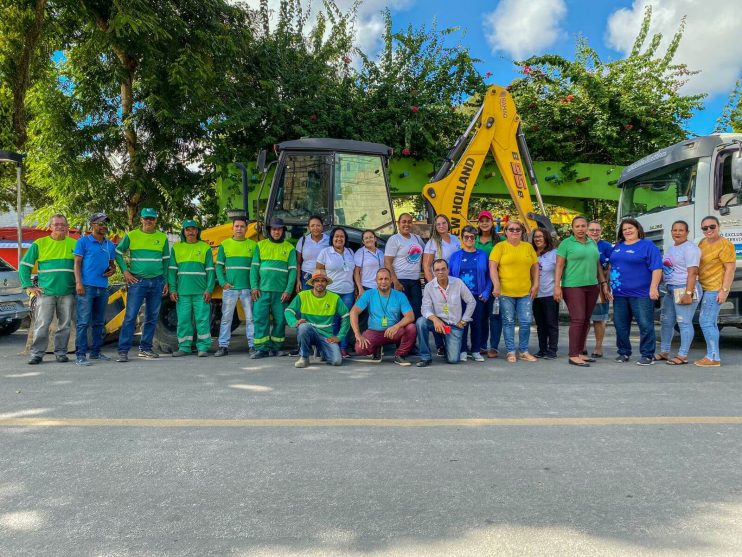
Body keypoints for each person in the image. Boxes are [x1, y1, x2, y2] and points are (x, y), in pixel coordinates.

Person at [19, 214, 77, 365]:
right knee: (42, 324)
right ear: (50, 227)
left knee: (64, 325)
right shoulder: (40, 243)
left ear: (67, 227)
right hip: (45, 293)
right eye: (56, 224)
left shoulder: (74, 243)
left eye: (62, 224)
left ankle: (61, 352)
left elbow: (82, 266)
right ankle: (37, 354)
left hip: (67, 292)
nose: (59, 227)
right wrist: (28, 285)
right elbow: (24, 266)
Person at [606, 218, 663, 365]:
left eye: (630, 228)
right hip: (619, 294)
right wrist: (607, 285)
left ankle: (647, 354)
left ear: (638, 229)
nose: (627, 231)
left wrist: (653, 287)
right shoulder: (617, 247)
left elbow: (657, 267)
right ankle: (624, 352)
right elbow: (611, 267)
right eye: (624, 229)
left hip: (642, 294)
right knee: (620, 325)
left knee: (645, 324)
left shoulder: (647, 246)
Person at [554, 216, 608, 367]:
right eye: (577, 226)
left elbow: (597, 264)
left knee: (585, 320)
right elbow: (559, 266)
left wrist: (603, 282)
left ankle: (579, 353)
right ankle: (573, 355)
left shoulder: (592, 242)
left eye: (583, 226)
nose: (580, 229)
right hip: (573, 286)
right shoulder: (566, 244)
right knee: (578, 319)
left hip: (592, 286)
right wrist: (557, 286)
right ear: (572, 228)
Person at [489, 220, 539, 363]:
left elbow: (535, 267)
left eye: (518, 229)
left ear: (522, 231)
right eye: (511, 229)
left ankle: (523, 351)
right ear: (506, 232)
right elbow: (492, 267)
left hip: (525, 292)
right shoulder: (500, 247)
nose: (515, 231)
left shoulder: (528, 247)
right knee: (508, 322)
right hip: (505, 293)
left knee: (525, 322)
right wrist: (496, 285)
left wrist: (536, 284)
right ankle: (510, 351)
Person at [73, 213, 116, 366]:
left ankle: (96, 353)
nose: (104, 226)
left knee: (99, 322)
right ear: (92, 224)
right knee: (83, 322)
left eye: (105, 224)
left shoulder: (109, 245)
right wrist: (79, 283)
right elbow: (77, 264)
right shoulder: (83, 242)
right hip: (86, 287)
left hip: (103, 287)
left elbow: (112, 265)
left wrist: (112, 270)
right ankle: (80, 355)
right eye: (100, 223)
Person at [250, 218, 297, 358]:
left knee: (281, 319)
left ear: (283, 231)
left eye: (279, 229)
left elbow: (293, 271)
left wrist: (288, 290)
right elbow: (254, 269)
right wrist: (254, 287)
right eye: (274, 229)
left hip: (280, 293)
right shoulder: (260, 245)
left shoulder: (289, 248)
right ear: (269, 230)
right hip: (261, 291)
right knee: (260, 319)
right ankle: (262, 349)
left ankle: (277, 348)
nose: (276, 231)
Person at [350, 268, 416, 366]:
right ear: (376, 281)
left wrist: (396, 326)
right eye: (380, 279)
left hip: (394, 332)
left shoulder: (400, 295)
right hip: (374, 331)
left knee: (411, 328)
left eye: (386, 279)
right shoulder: (369, 294)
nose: (383, 282)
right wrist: (357, 334)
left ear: (391, 280)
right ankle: (376, 349)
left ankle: (400, 355)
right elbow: (353, 312)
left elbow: (410, 316)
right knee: (360, 348)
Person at [416, 259, 476, 367]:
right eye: (437, 270)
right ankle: (425, 357)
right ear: (433, 272)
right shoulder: (429, 287)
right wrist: (435, 319)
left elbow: (471, 301)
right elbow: (425, 308)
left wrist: (463, 320)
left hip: (453, 324)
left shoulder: (457, 283)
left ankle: (446, 345)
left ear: (448, 270)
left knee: (453, 360)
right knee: (421, 322)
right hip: (438, 323)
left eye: (443, 269)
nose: (440, 272)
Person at [168, 220, 215, 357]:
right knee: (183, 320)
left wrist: (209, 289)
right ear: (183, 232)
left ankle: (203, 347)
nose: (190, 232)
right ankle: (184, 347)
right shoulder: (176, 248)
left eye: (193, 229)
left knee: (202, 320)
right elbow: (171, 271)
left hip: (201, 293)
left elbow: (210, 270)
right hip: (182, 293)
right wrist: (173, 289)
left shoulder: (205, 247)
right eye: (187, 229)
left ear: (197, 231)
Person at [285, 270, 350, 368]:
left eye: (323, 281)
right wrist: (295, 322)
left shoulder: (334, 298)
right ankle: (304, 357)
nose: (320, 283)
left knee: (336, 361)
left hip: (326, 335)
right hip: (309, 331)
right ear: (312, 283)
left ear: (326, 283)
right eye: (317, 281)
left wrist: (339, 336)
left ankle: (321, 351)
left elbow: (346, 316)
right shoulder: (303, 295)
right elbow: (288, 310)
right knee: (303, 327)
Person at [658, 220, 701, 365]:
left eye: (681, 230)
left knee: (684, 322)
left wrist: (688, 293)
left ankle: (683, 355)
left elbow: (693, 272)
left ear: (687, 232)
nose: (677, 233)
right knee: (666, 322)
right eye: (674, 230)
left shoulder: (690, 248)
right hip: (670, 289)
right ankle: (664, 351)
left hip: (684, 287)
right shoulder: (672, 248)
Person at [695, 216, 736, 367]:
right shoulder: (702, 243)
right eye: (705, 228)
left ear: (719, 227)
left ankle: (713, 357)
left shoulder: (725, 245)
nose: (708, 230)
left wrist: (724, 290)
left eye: (712, 226)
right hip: (703, 287)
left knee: (705, 322)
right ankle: (712, 356)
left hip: (715, 288)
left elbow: (730, 269)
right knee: (709, 322)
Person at [214, 217, 257, 357]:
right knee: (226, 319)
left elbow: (255, 268)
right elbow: (219, 267)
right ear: (232, 228)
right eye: (237, 226)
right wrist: (223, 283)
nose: (239, 229)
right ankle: (223, 346)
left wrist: (254, 286)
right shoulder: (225, 244)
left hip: (247, 289)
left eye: (242, 226)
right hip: (230, 289)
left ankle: (253, 346)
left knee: (251, 319)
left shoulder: (253, 245)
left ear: (246, 229)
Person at [449, 225, 491, 362]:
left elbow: (489, 276)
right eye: (466, 237)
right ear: (462, 238)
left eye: (472, 237)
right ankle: (462, 349)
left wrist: (486, 292)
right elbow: (449, 276)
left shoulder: (483, 255)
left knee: (477, 323)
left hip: (477, 294)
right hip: (459, 296)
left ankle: (476, 350)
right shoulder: (455, 256)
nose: (469, 239)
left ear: (475, 238)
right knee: (461, 323)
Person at [316, 227, 356, 357]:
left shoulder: (350, 252)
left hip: (348, 292)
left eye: (342, 237)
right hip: (331, 292)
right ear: (332, 239)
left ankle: (343, 347)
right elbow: (319, 272)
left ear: (345, 239)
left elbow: (355, 271)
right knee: (333, 321)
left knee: (345, 320)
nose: (339, 239)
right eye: (336, 237)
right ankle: (332, 347)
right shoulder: (325, 252)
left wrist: (356, 288)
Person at [384, 213, 425, 319]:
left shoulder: (417, 238)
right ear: (398, 223)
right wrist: (395, 282)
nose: (407, 224)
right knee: (402, 314)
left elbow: (426, 254)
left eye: (409, 222)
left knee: (417, 312)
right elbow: (387, 262)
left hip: (415, 281)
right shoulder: (394, 239)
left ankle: (414, 335)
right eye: (404, 222)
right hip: (400, 281)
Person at [586, 220, 614, 358]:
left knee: (599, 319)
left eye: (597, 230)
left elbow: (613, 265)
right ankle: (581, 346)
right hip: (581, 285)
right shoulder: (579, 244)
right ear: (586, 231)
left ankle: (598, 347)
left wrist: (606, 285)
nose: (594, 232)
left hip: (600, 286)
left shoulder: (607, 246)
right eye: (591, 230)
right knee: (582, 318)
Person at [475, 210, 501, 359]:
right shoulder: (473, 239)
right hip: (480, 285)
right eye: (482, 220)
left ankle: (494, 347)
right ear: (478, 223)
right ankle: (482, 345)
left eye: (487, 220)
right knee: (481, 316)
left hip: (496, 284)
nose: (485, 223)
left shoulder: (500, 240)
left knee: (495, 316)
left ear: (492, 222)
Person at [531, 227, 559, 360]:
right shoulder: (531, 253)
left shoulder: (554, 253)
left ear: (546, 238)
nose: (538, 239)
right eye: (535, 237)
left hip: (550, 293)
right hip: (536, 295)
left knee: (551, 323)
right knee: (540, 324)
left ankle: (552, 350)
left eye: (540, 236)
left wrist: (558, 288)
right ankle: (542, 349)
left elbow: (560, 271)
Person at [422, 214, 461, 282]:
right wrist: (433, 286)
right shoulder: (432, 243)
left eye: (444, 223)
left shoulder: (455, 239)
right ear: (435, 227)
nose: (441, 226)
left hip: (455, 280)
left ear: (448, 223)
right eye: (438, 224)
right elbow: (426, 267)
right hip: (439, 281)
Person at [295, 215, 329, 292]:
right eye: (312, 226)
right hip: (306, 276)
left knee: (322, 301)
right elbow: (298, 263)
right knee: (307, 301)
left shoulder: (329, 240)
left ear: (322, 226)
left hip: (323, 277)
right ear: (309, 228)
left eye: (318, 225)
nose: (315, 228)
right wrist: (298, 280)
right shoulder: (303, 240)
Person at [354, 229, 384, 298]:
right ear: (363, 241)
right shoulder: (360, 252)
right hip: (366, 287)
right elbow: (356, 272)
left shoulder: (380, 253)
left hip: (380, 287)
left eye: (371, 237)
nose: (369, 239)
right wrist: (360, 288)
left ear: (375, 239)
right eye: (366, 238)